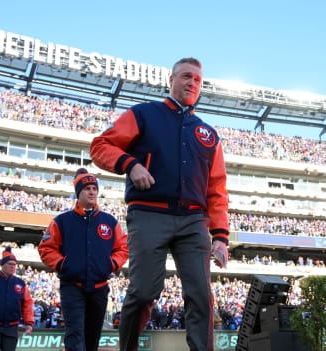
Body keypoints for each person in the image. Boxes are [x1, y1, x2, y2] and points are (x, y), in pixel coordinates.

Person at [91, 57, 229, 351]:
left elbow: (216, 189)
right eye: (186, 77)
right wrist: (130, 164)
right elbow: (100, 146)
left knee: (202, 296)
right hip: (149, 214)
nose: (192, 83)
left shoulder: (209, 135)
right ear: (171, 80)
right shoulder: (144, 114)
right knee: (143, 293)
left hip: (193, 222)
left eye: (198, 80)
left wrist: (220, 236)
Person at [38, 168, 129, 351]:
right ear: (79, 193)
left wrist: (111, 264)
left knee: (92, 338)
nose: (92, 191)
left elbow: (123, 248)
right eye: (87, 188)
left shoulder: (110, 221)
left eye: (94, 188)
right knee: (74, 335)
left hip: (99, 288)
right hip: (72, 286)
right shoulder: (62, 221)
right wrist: (63, 264)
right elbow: (46, 248)